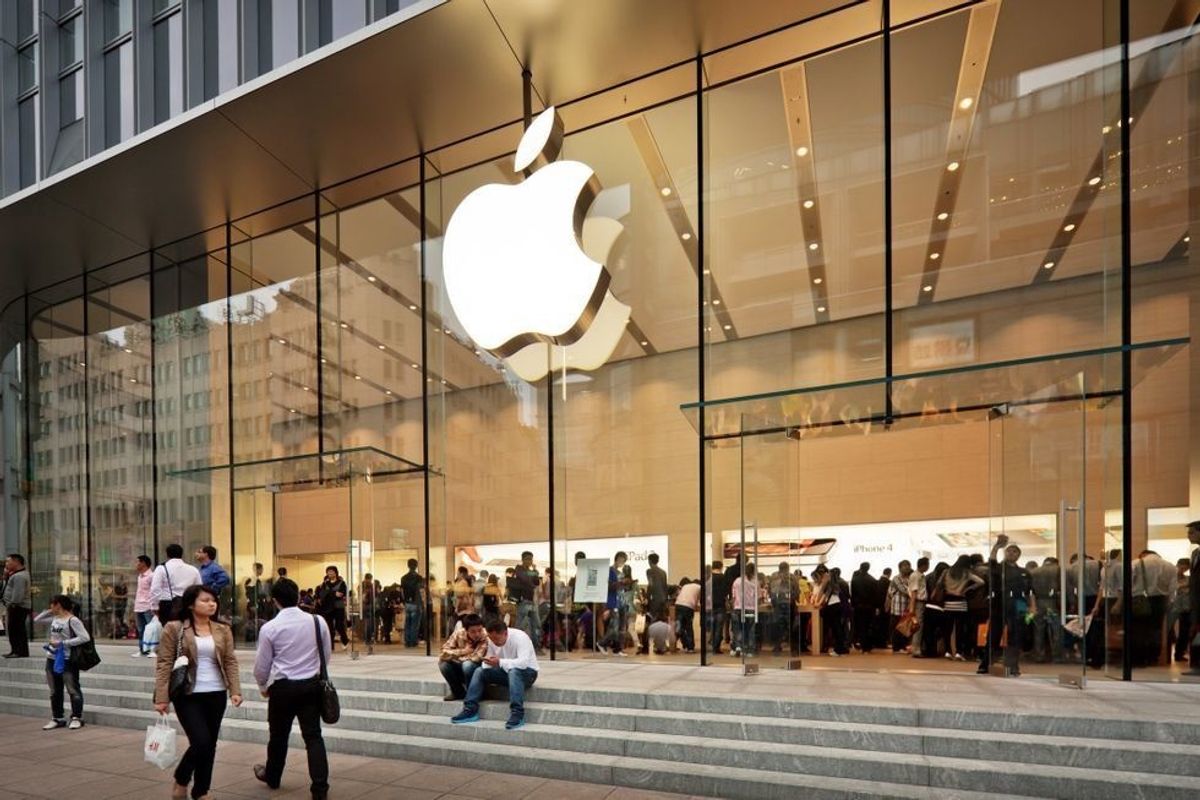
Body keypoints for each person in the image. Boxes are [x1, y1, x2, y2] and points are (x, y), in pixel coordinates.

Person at [154, 585, 242, 800]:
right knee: (201, 741)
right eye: (205, 600)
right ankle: (182, 778)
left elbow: (230, 660)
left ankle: (201, 791)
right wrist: (161, 697)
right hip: (187, 693)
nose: (211, 604)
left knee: (209, 745)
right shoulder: (174, 628)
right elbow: (164, 663)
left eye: (213, 600)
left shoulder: (223, 629)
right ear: (191, 604)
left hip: (216, 692)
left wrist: (235, 690)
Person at [253, 578, 333, 800]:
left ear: (274, 600)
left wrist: (262, 686)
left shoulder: (270, 628)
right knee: (314, 737)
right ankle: (320, 789)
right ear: (298, 596)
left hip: (283, 688)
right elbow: (326, 655)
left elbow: (262, 665)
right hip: (310, 685)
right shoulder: (318, 621)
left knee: (278, 736)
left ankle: (273, 776)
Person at [450, 620, 539, 730]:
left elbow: (523, 663)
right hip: (506, 673)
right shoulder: (491, 640)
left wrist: (500, 662)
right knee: (479, 671)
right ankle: (470, 709)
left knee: (514, 671)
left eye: (496, 639)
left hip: (528, 674)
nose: (494, 642)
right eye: (491, 639)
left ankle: (517, 713)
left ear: (505, 633)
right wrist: (487, 662)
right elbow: (491, 660)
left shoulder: (521, 638)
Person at [978, 535, 1036, 676]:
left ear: (1019, 555)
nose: (1011, 553)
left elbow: (1030, 591)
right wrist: (997, 547)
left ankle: (1012, 666)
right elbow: (991, 561)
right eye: (1009, 551)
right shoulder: (999, 568)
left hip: (1018, 605)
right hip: (999, 603)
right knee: (994, 634)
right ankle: (986, 664)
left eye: (1015, 551)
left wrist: (1032, 606)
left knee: (1015, 636)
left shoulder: (1024, 572)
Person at [34, 594, 90, 730]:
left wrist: (63, 643)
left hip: (67, 659)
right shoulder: (54, 618)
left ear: (58, 604)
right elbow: (36, 619)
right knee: (54, 690)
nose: (50, 607)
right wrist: (50, 611)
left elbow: (85, 637)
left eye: (52, 604)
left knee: (72, 689)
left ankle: (76, 717)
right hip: (52, 658)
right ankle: (57, 717)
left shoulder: (73, 620)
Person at [939, 555, 983, 661]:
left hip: (948, 602)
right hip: (961, 602)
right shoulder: (967, 573)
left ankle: (948, 651)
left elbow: (939, 583)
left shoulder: (946, 572)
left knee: (948, 629)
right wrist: (969, 588)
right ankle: (958, 652)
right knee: (960, 629)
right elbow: (981, 582)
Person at [439, 613, 488, 701]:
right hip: (462, 666)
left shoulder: (485, 636)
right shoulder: (459, 633)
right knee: (443, 664)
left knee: (467, 665)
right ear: (466, 630)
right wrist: (463, 652)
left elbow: (476, 657)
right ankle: (458, 692)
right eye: (473, 631)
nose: (477, 634)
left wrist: (455, 657)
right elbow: (443, 652)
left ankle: (473, 693)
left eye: (479, 630)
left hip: (477, 668)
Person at [151, 544, 202, 623]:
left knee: (169, 631)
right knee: (186, 629)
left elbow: (155, 588)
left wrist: (155, 606)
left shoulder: (162, 568)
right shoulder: (193, 569)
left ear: (167, 554)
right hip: (187, 604)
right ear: (182, 554)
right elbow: (199, 589)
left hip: (167, 604)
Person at [1029, 557, 1063, 663]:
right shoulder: (1058, 570)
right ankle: (1056, 656)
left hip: (1038, 602)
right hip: (1053, 603)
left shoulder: (1034, 571)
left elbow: (1030, 591)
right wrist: (1071, 603)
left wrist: (1031, 605)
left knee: (1038, 630)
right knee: (1056, 630)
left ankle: (1039, 655)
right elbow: (1065, 587)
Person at [509, 551, 542, 651]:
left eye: (531, 559)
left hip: (531, 601)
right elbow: (526, 580)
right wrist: (533, 575)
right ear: (523, 559)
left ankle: (536, 646)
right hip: (523, 600)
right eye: (527, 559)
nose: (529, 561)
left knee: (536, 624)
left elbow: (536, 582)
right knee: (520, 625)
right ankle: (514, 646)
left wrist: (535, 571)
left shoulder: (529, 570)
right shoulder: (519, 569)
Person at [3, 553, 31, 658]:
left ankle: (18, 651)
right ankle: (18, 651)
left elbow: (18, 595)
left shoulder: (19, 576)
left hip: (17, 606)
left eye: (8, 561)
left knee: (15, 629)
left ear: (16, 562)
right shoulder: (17, 574)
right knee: (17, 629)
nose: (6, 564)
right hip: (18, 606)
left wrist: (11, 604)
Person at [730, 562, 760, 657]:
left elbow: (733, 597)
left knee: (738, 629)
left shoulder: (737, 581)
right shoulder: (756, 582)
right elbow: (758, 597)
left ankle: (739, 647)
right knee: (750, 629)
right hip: (751, 609)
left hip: (738, 608)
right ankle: (750, 650)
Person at [316, 566, 349, 651]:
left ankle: (345, 641)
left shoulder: (341, 583)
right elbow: (322, 594)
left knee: (339, 625)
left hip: (338, 606)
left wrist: (329, 593)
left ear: (336, 572)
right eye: (328, 572)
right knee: (329, 627)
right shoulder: (325, 583)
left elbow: (341, 594)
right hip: (327, 608)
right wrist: (334, 593)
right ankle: (331, 646)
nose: (330, 573)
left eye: (332, 571)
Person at [850, 562, 876, 654]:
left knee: (861, 627)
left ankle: (863, 645)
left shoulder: (855, 580)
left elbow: (853, 595)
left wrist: (853, 606)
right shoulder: (872, 580)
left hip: (858, 607)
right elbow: (874, 596)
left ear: (860, 568)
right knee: (869, 626)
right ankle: (868, 647)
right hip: (869, 607)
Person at [133, 555, 156, 657]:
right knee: (141, 629)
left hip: (148, 606)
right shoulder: (140, 576)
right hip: (139, 606)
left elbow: (154, 591)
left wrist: (154, 606)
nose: (136, 564)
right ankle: (142, 649)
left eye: (137, 562)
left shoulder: (152, 576)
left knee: (150, 629)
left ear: (143, 563)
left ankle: (152, 650)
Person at [888, 561, 913, 653]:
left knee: (905, 628)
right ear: (899, 568)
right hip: (897, 608)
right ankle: (896, 647)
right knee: (897, 628)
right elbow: (904, 590)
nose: (907, 568)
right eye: (904, 566)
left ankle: (903, 646)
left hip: (906, 608)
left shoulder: (910, 578)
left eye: (908, 566)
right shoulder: (896, 578)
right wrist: (914, 592)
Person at [1169, 557, 1191, 664]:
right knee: (1169, 630)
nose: (1183, 570)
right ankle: (1167, 655)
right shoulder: (1171, 577)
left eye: (1186, 569)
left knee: (1184, 632)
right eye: (1182, 567)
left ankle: (1179, 653)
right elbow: (1171, 589)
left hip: (1185, 608)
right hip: (1172, 606)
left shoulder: (1188, 579)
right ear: (1178, 565)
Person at [400, 559, 424, 648]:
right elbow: (421, 591)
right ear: (416, 566)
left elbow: (402, 591)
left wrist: (404, 600)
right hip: (416, 602)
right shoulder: (419, 578)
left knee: (407, 622)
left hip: (407, 603)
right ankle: (413, 641)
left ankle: (407, 641)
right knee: (415, 623)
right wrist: (423, 603)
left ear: (408, 565)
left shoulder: (403, 578)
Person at [1187, 521, 1200, 674]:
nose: (1188, 536)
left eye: (1192, 532)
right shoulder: (1195, 553)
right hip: (1195, 598)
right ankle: (1196, 665)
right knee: (1195, 629)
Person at [908, 557, 929, 656]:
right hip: (918, 602)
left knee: (917, 626)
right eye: (927, 564)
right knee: (918, 626)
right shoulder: (916, 576)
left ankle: (914, 647)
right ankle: (916, 649)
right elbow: (914, 592)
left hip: (919, 602)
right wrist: (912, 607)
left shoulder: (920, 575)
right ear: (923, 565)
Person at [674, 577, 700, 654]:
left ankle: (685, 644)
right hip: (688, 607)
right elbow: (701, 600)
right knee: (689, 627)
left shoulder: (685, 586)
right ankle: (690, 648)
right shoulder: (699, 587)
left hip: (678, 605)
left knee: (679, 627)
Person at [707, 561, 727, 655]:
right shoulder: (723, 578)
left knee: (711, 627)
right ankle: (716, 647)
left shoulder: (709, 578)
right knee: (719, 627)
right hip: (720, 605)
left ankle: (709, 644)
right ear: (721, 567)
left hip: (710, 605)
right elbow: (726, 591)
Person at [645, 553, 669, 627]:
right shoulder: (663, 572)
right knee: (663, 620)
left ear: (649, 561)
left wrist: (647, 597)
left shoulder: (649, 571)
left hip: (655, 599)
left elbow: (650, 584)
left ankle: (652, 636)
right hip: (663, 599)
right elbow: (665, 586)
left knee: (652, 620)